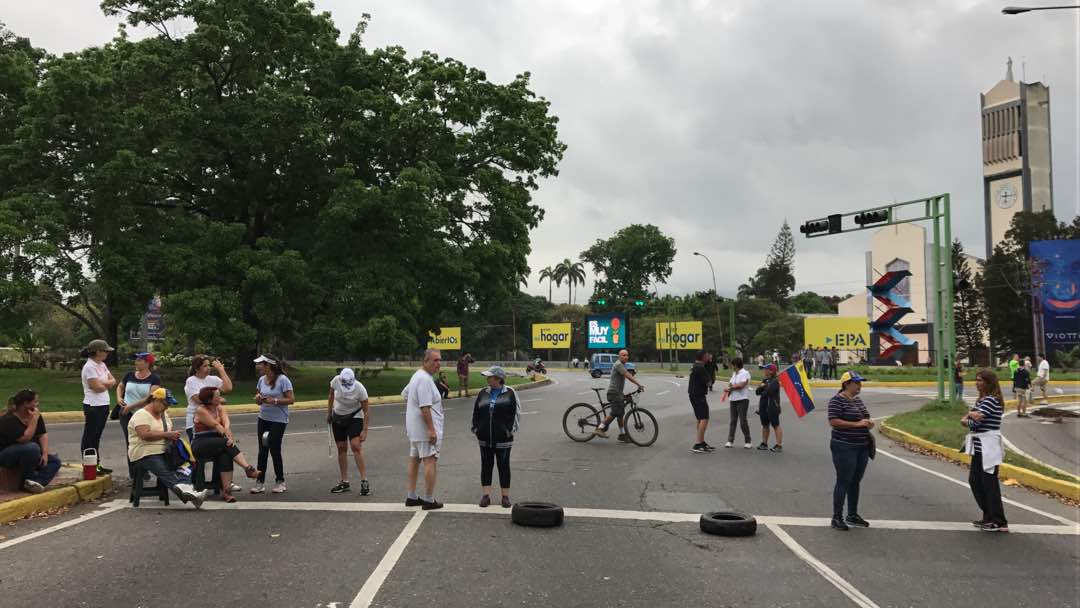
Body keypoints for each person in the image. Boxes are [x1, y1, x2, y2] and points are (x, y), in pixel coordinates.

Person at [128, 387, 206, 508]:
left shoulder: (164, 414)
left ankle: (187, 491)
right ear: (155, 400)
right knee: (164, 470)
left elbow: (167, 431)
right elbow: (144, 435)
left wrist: (172, 436)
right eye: (165, 404)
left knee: (186, 463)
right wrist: (166, 435)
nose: (166, 407)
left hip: (165, 450)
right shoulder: (141, 415)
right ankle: (190, 494)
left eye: (168, 405)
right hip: (145, 452)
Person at [192, 387, 260, 502]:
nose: (220, 398)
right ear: (209, 400)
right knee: (226, 444)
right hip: (201, 443)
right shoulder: (201, 410)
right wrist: (226, 438)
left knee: (226, 455)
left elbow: (226, 423)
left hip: (219, 442)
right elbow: (216, 425)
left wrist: (228, 433)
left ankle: (226, 491)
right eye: (217, 396)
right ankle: (247, 468)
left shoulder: (219, 408)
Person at [962, 370, 1008, 532]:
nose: (977, 383)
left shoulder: (990, 400)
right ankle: (988, 515)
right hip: (979, 447)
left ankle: (999, 520)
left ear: (989, 383)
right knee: (975, 481)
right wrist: (970, 417)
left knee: (989, 484)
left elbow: (975, 421)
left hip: (988, 448)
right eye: (976, 380)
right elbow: (971, 422)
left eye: (980, 380)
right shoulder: (981, 400)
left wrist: (968, 416)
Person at [828, 371, 873, 531]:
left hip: (862, 446)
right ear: (847, 384)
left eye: (860, 382)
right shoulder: (836, 400)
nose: (860, 385)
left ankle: (852, 514)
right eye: (857, 382)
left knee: (855, 481)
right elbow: (834, 421)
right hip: (844, 446)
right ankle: (837, 517)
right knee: (844, 480)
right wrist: (858, 425)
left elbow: (864, 416)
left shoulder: (858, 400)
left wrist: (868, 423)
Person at [471, 365, 520, 507]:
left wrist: (509, 431)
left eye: (490, 377)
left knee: (504, 466)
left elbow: (516, 414)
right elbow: (476, 412)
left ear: (498, 379)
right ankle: (486, 495)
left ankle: (505, 496)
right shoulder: (483, 393)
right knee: (486, 466)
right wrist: (476, 429)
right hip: (484, 438)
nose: (487, 379)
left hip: (504, 439)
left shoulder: (510, 393)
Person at [404, 349, 445, 510]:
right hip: (424, 430)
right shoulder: (425, 380)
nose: (438, 363)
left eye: (439, 360)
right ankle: (429, 499)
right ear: (425, 361)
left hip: (415, 429)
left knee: (414, 460)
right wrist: (431, 430)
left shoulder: (417, 376)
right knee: (430, 460)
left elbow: (405, 394)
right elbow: (425, 407)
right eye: (435, 360)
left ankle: (411, 495)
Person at [0, 390, 62, 493]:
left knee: (54, 461)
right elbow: (25, 439)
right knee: (32, 448)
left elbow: (42, 434)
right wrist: (34, 420)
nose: (37, 404)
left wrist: (45, 454)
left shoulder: (35, 415)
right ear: (26, 404)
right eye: (35, 401)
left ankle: (35, 482)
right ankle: (24, 482)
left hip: (29, 454)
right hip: (6, 455)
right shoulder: (9, 420)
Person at [252, 354, 294, 494]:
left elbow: (291, 399)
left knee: (274, 448)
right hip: (263, 418)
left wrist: (275, 401)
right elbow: (258, 397)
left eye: (261, 364)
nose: (258, 367)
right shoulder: (261, 380)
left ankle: (280, 481)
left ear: (268, 365)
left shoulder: (283, 380)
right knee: (262, 450)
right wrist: (258, 399)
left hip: (279, 420)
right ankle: (260, 482)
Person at [327, 368, 371, 496]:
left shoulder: (360, 389)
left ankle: (364, 480)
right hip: (338, 417)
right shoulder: (335, 381)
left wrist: (365, 430)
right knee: (341, 448)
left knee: (356, 446)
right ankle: (344, 481)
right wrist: (329, 412)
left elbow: (367, 411)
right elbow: (330, 395)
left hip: (354, 417)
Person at [81, 339, 117, 475]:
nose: (107, 353)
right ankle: (89, 464)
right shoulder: (89, 367)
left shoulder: (102, 364)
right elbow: (97, 388)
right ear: (97, 352)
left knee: (97, 436)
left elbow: (113, 380)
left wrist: (105, 383)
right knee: (90, 436)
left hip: (103, 404)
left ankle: (96, 463)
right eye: (105, 351)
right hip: (93, 405)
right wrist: (107, 383)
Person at [592, 349, 644, 441]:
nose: (626, 357)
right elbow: (628, 375)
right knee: (616, 412)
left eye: (627, 355)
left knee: (620, 414)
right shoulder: (618, 364)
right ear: (619, 357)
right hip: (613, 392)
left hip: (618, 392)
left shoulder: (622, 365)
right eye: (623, 355)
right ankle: (599, 428)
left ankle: (622, 434)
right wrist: (638, 384)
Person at [117, 353, 162, 456]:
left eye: (139, 360)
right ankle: (132, 470)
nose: (136, 362)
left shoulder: (155, 378)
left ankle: (143, 468)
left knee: (142, 441)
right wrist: (119, 398)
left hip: (143, 414)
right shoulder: (129, 375)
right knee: (130, 442)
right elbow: (120, 386)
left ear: (147, 363)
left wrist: (131, 407)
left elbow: (149, 398)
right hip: (125, 413)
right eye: (136, 360)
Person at [184, 355, 233, 441]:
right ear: (197, 368)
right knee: (199, 451)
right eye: (205, 366)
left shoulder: (213, 379)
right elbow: (200, 400)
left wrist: (221, 370)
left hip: (214, 420)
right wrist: (220, 399)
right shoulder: (191, 381)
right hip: (196, 422)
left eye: (209, 365)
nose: (208, 368)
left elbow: (228, 388)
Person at [723, 357, 753, 448]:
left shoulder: (745, 373)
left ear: (736, 365)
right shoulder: (734, 373)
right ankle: (730, 441)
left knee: (743, 421)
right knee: (733, 421)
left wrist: (730, 388)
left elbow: (741, 385)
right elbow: (731, 384)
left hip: (742, 399)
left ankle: (748, 441)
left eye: (732, 365)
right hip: (733, 399)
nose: (731, 366)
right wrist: (728, 387)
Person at [688, 351, 713, 453]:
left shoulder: (695, 366)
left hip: (693, 394)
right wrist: (710, 368)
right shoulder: (701, 367)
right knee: (704, 418)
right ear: (703, 357)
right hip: (699, 395)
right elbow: (709, 382)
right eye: (707, 356)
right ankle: (698, 443)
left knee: (700, 418)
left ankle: (701, 442)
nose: (709, 357)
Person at [755, 363, 783, 452]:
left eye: (766, 369)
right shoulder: (765, 380)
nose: (764, 371)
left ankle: (778, 445)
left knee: (775, 425)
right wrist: (761, 386)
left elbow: (769, 392)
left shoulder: (775, 381)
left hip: (772, 406)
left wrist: (764, 387)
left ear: (771, 371)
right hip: (763, 406)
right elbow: (757, 392)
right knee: (765, 425)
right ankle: (764, 443)